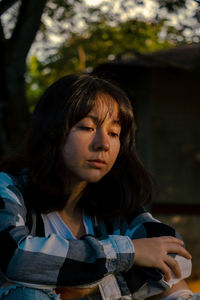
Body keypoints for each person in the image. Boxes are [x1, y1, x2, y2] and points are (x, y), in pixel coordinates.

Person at [0, 74, 198, 300]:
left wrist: (93, 290)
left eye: (114, 133)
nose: (103, 144)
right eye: (87, 127)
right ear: (51, 131)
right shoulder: (8, 188)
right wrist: (128, 252)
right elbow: (15, 257)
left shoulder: (114, 206)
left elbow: (177, 259)